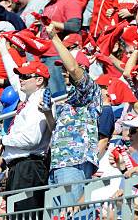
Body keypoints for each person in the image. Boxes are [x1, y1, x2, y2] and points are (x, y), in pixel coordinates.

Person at [42, 24, 102, 207]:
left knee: (71, 212)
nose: (63, 71)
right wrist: (47, 113)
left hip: (74, 162)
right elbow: (56, 131)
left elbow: (75, 69)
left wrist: (54, 37)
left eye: (64, 68)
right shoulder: (67, 98)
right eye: (61, 68)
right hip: (58, 162)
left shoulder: (90, 91)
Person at [0, 44, 51, 214]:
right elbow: (13, 78)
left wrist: (2, 140)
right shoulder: (30, 98)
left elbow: (31, 139)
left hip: (28, 168)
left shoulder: (39, 102)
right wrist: (3, 49)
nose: (20, 79)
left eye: (25, 76)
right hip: (21, 168)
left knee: (25, 216)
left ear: (39, 80)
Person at [40, 0, 83, 95]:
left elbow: (75, 26)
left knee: (58, 93)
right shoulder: (48, 5)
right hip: (45, 52)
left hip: (57, 53)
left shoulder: (70, 1)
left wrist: (50, 23)